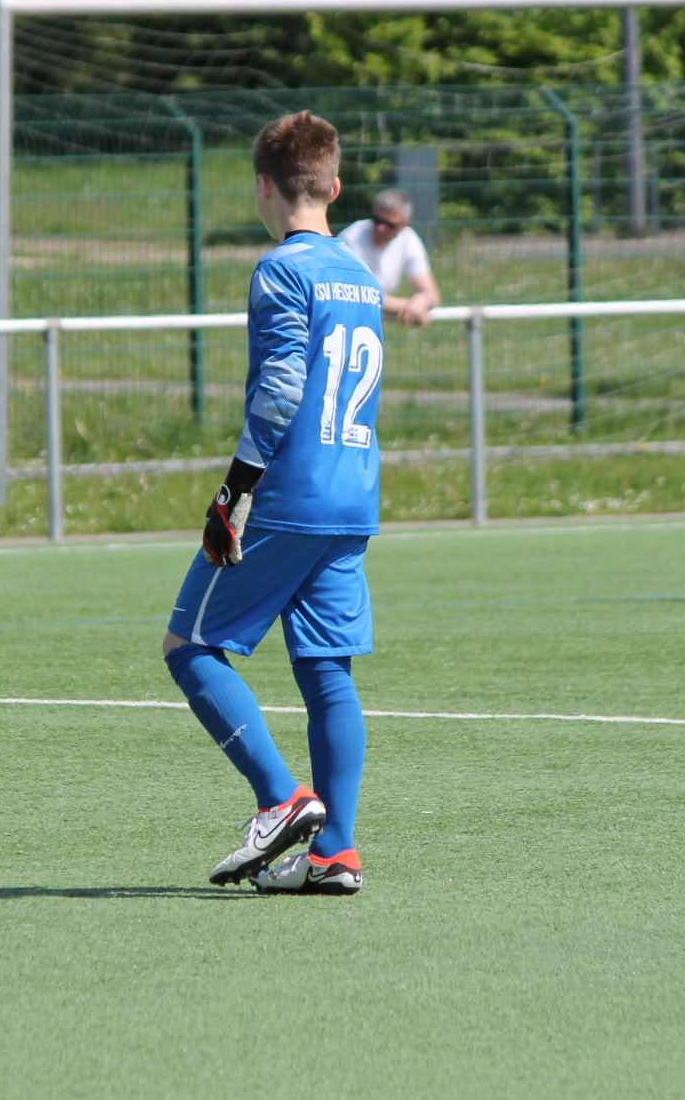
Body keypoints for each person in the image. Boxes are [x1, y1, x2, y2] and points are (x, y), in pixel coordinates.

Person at [161, 111, 382, 896]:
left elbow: (284, 386)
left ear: (262, 185)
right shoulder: (360, 273)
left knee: (189, 646)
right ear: (335, 186)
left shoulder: (281, 269)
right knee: (327, 670)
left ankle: (280, 798)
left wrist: (235, 491)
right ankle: (335, 855)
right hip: (353, 495)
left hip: (289, 494)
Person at [338, 188, 441, 327]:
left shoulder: (409, 239)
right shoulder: (351, 239)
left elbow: (432, 295)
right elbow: (360, 295)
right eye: (376, 220)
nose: (380, 228)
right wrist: (409, 307)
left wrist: (420, 302)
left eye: (390, 225)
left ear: (405, 224)